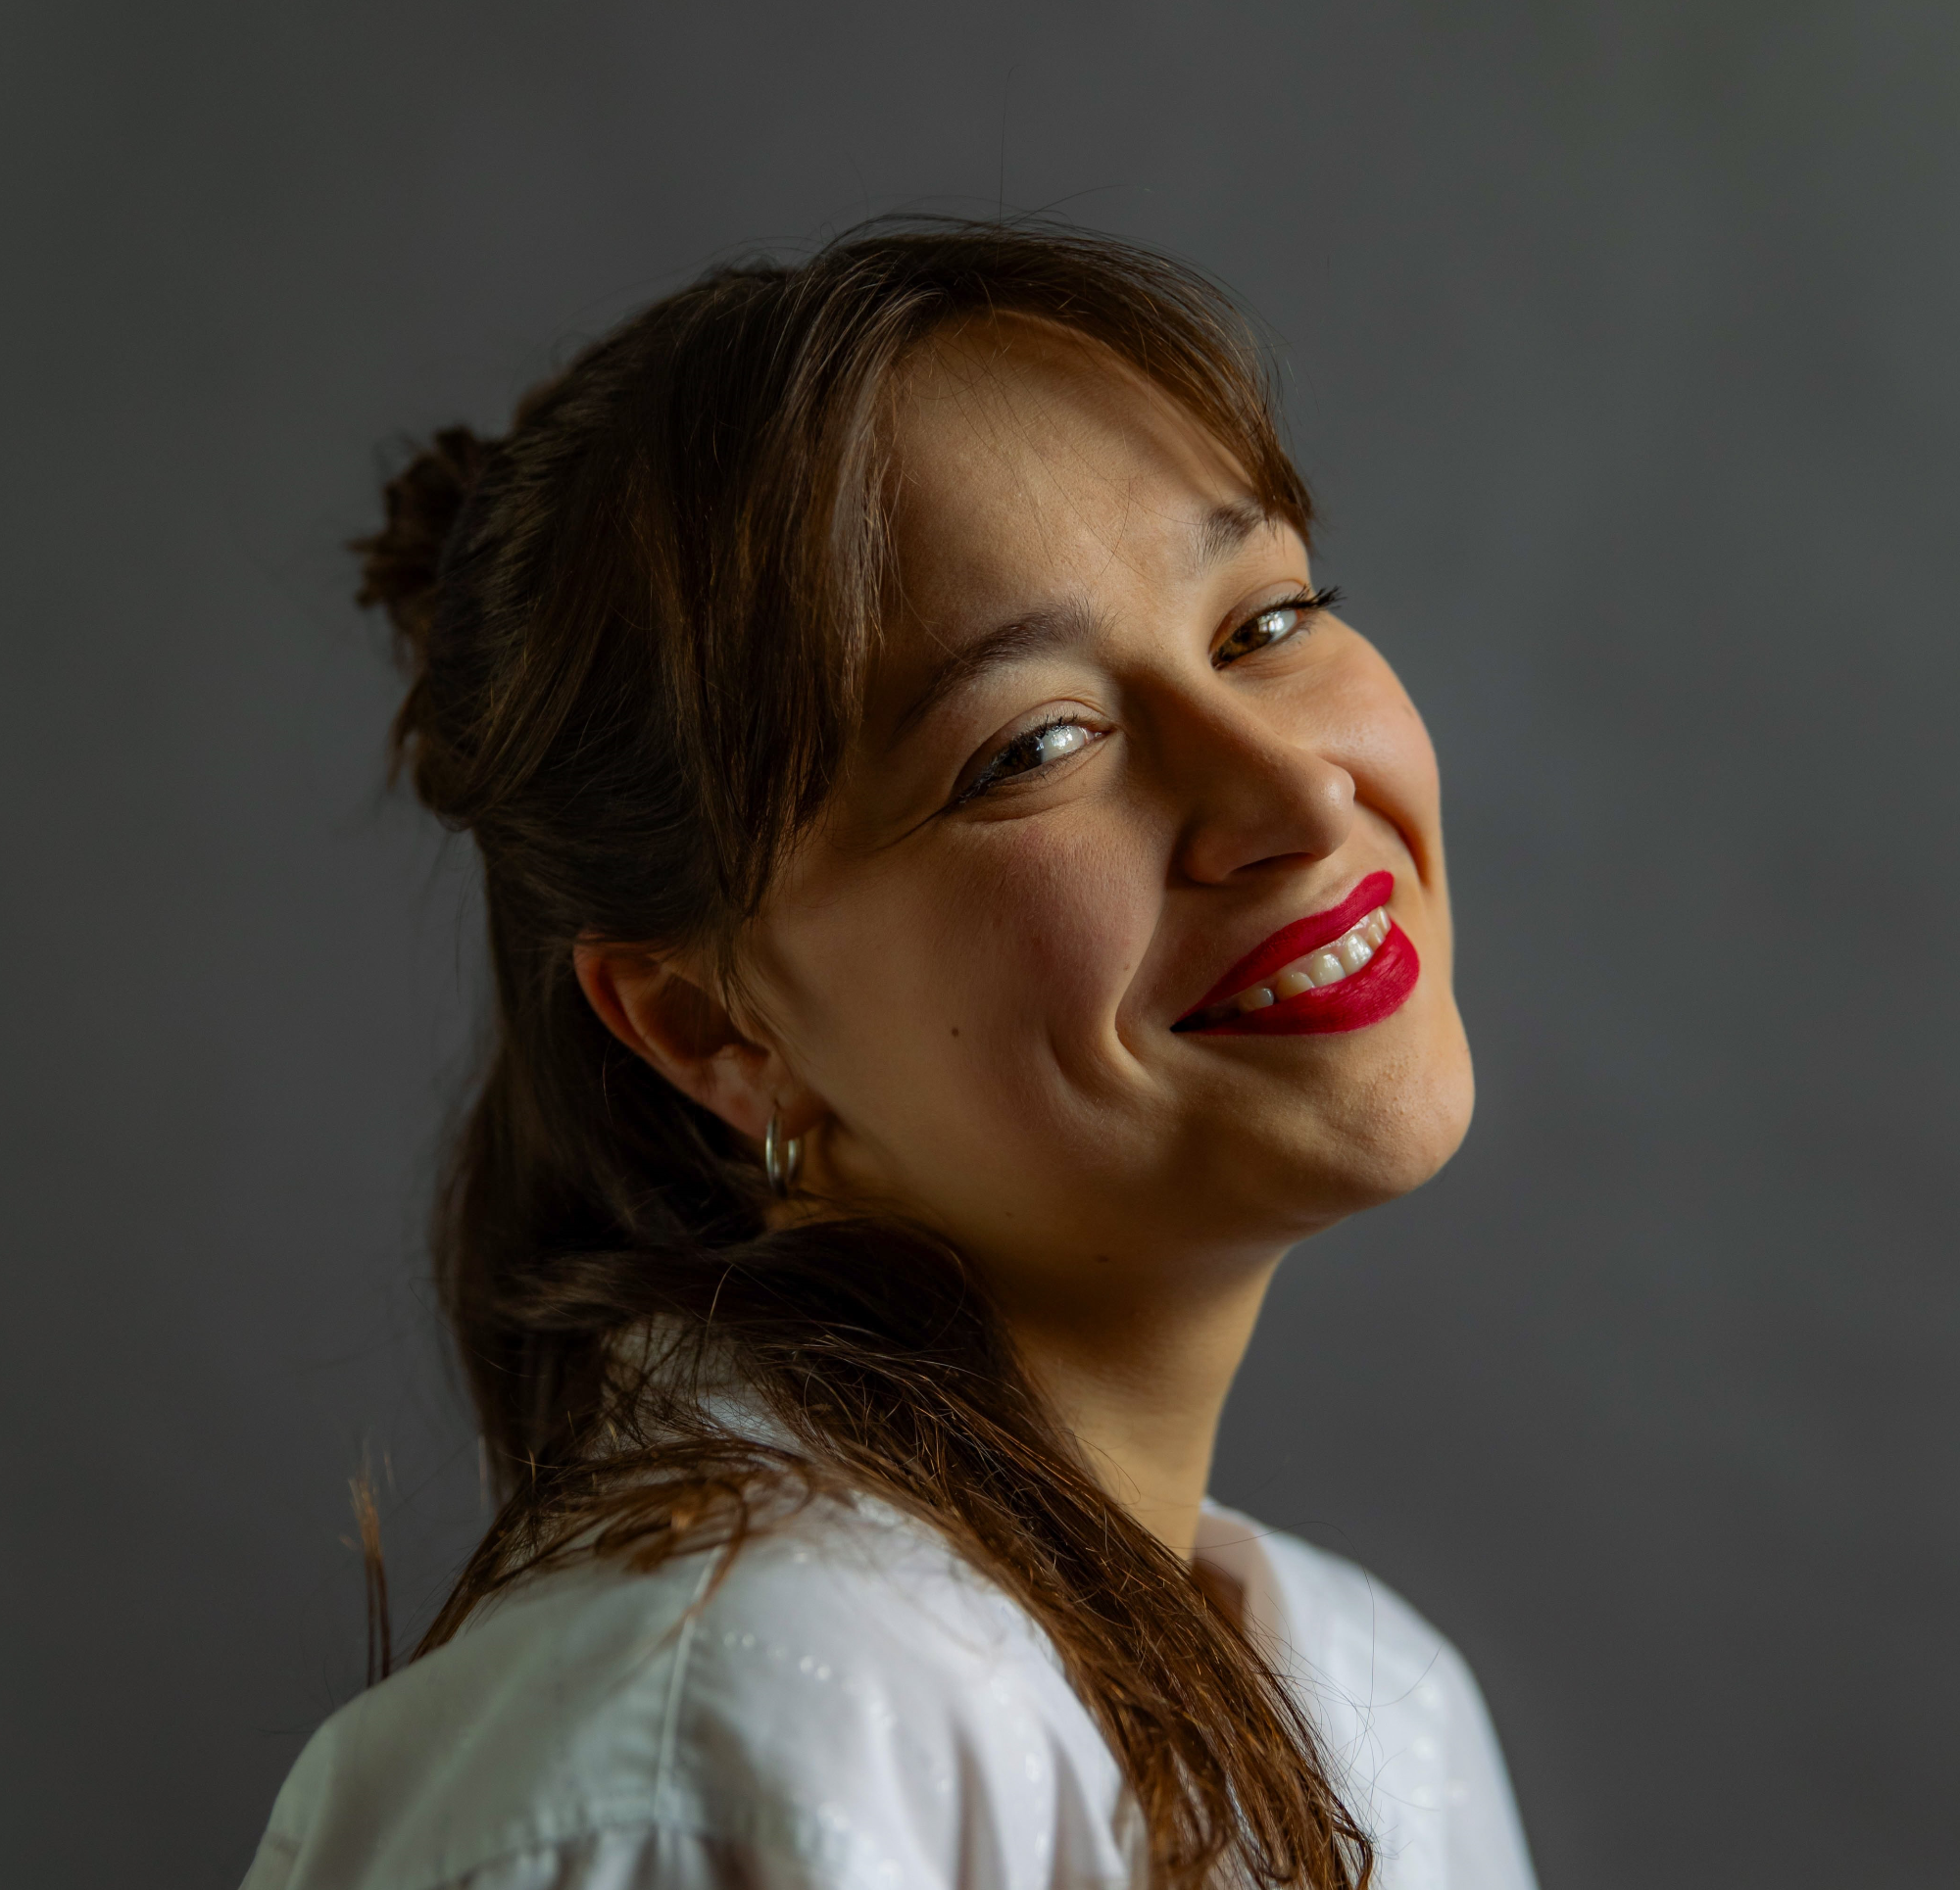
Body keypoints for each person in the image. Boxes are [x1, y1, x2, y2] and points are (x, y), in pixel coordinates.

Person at [240, 221, 1538, 1890]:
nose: (1294, 794)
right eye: (1036, 745)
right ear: (718, 1029)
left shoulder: (1383, 1705)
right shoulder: (724, 1753)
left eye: (1265, 622)